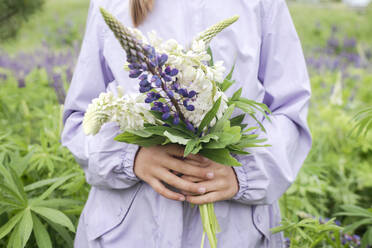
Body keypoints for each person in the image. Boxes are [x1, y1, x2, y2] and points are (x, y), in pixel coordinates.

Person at [61, 0, 312, 247]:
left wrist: (243, 173)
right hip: (130, 228)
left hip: (235, 228)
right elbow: (79, 119)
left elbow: (290, 110)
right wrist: (131, 157)